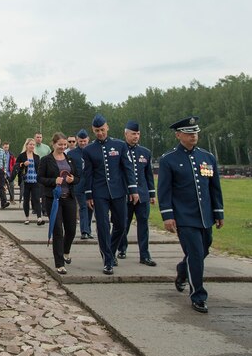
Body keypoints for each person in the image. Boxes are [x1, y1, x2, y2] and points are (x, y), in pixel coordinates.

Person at [157, 116, 224, 314]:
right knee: (195, 254)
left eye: (195, 132)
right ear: (179, 135)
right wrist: (167, 216)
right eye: (188, 133)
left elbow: (214, 188)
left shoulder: (207, 157)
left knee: (204, 250)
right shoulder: (169, 159)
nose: (193, 136)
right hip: (184, 216)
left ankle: (182, 270)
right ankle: (198, 296)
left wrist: (218, 212)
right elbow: (164, 190)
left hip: (205, 215)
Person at [83, 114, 138, 275]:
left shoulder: (120, 146)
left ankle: (110, 249)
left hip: (118, 191)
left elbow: (128, 168)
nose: (100, 133)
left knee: (121, 224)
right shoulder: (89, 150)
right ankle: (107, 260)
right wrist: (89, 195)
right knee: (103, 225)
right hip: (99, 192)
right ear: (93, 131)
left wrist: (133, 189)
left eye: (102, 129)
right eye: (96, 130)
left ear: (107, 127)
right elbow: (88, 174)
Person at [38, 132, 79, 275]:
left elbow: (78, 177)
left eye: (64, 145)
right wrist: (53, 181)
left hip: (69, 198)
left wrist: (73, 179)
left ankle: (66, 250)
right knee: (57, 230)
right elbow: (40, 178)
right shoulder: (46, 160)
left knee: (71, 229)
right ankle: (59, 263)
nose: (62, 147)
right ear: (53, 144)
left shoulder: (70, 159)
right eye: (59, 144)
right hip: (53, 199)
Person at [118, 121, 157, 266]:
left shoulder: (145, 152)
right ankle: (121, 248)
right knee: (123, 224)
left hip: (142, 195)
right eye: (133, 134)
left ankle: (144, 255)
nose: (136, 136)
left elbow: (148, 175)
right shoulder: (120, 150)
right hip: (126, 194)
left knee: (143, 224)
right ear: (126, 134)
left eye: (138, 134)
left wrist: (152, 194)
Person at [69, 129, 94, 240]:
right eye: (80, 141)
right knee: (83, 206)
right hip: (78, 185)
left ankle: (88, 229)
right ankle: (84, 231)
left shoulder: (93, 151)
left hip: (91, 185)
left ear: (88, 139)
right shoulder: (71, 154)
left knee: (90, 207)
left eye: (84, 141)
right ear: (77, 140)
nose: (83, 143)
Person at [12, 138, 43, 225]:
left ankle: (39, 218)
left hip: (35, 180)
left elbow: (40, 169)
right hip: (25, 181)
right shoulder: (22, 156)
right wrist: (23, 164)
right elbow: (16, 166)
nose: (32, 146)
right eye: (30, 144)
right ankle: (27, 218)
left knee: (36, 199)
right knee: (26, 199)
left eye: (33, 145)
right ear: (26, 145)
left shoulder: (37, 157)